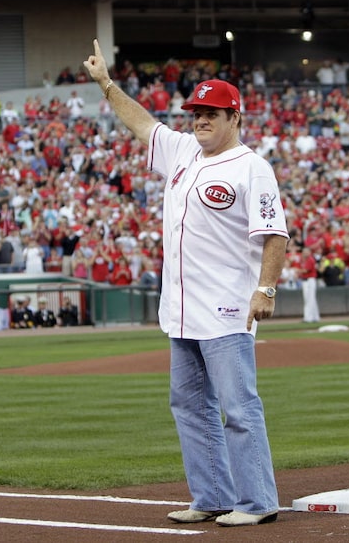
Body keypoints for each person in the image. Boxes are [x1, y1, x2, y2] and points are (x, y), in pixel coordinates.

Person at [83, 39, 287, 527]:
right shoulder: (181, 152)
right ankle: (212, 495)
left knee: (238, 407)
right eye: (196, 112)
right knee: (190, 407)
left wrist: (266, 289)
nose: (200, 120)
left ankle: (258, 502)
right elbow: (142, 123)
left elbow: (274, 233)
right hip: (179, 309)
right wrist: (107, 85)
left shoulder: (252, 167)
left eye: (211, 113)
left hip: (226, 308)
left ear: (234, 118)